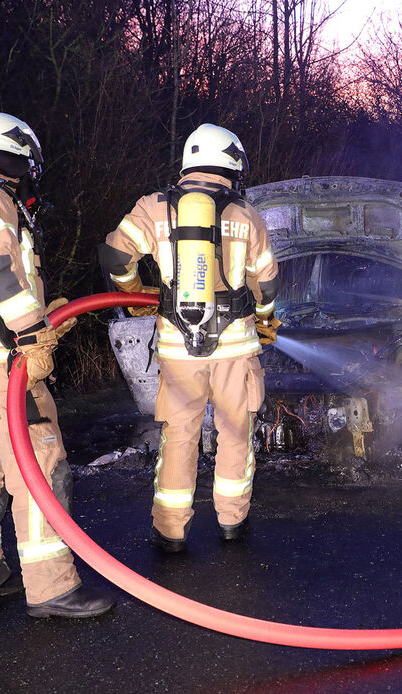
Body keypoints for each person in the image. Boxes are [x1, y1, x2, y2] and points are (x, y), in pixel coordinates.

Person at [0, 112, 113, 618]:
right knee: (40, 465)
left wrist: (44, 313)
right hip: (3, 366)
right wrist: (33, 333)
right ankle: (52, 588)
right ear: (15, 153)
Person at [99, 123, 279, 551]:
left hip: (178, 348)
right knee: (235, 433)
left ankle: (171, 531)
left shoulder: (153, 207)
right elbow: (267, 283)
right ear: (233, 164)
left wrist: (133, 291)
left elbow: (115, 255)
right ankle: (232, 523)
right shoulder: (245, 214)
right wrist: (265, 321)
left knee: (179, 436)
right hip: (234, 348)